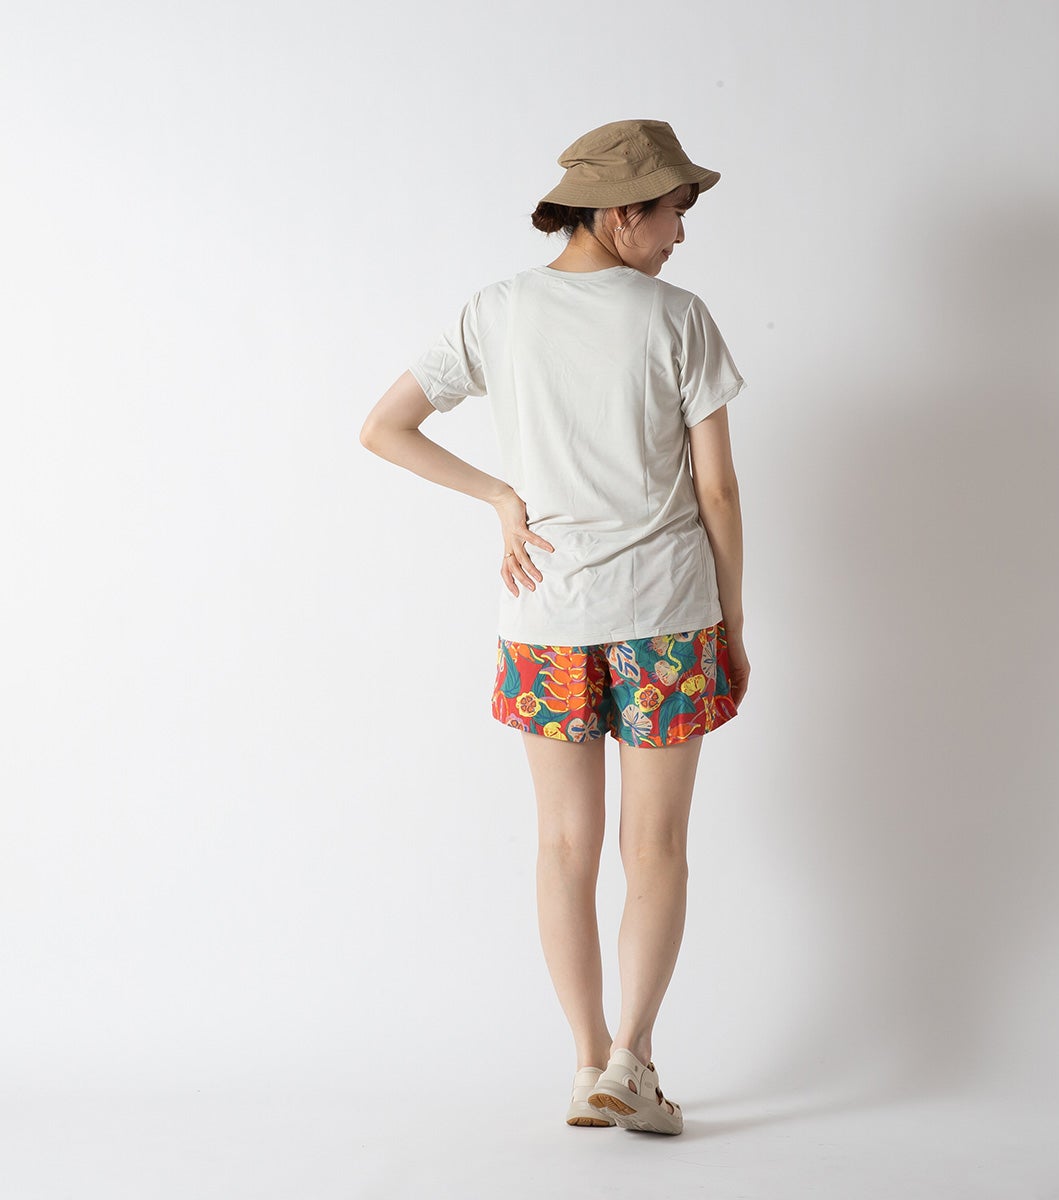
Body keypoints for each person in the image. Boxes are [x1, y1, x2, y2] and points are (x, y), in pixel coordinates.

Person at [359, 118, 750, 1135]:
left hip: (546, 619)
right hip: (669, 620)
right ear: (622, 213)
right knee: (655, 848)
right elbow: (717, 489)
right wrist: (734, 621)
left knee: (564, 847)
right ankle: (634, 1061)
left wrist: (501, 497)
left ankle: (586, 1065)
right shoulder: (678, 319)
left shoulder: (496, 311)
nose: (680, 235)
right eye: (674, 212)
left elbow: (383, 427)